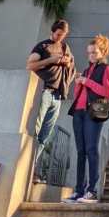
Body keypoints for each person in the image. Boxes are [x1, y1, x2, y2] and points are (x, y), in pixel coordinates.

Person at [63, 34, 109, 204]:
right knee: (80, 152)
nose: (90, 55)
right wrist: (79, 82)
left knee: (92, 149)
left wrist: (87, 81)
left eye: (94, 52)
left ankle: (91, 191)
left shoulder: (106, 69)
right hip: (78, 112)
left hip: (94, 111)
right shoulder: (86, 70)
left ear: (103, 52)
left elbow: (107, 93)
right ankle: (78, 191)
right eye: (89, 53)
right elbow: (78, 94)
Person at [26, 19, 75, 180]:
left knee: (45, 136)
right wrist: (51, 60)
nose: (61, 37)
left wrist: (67, 64)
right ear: (53, 32)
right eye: (59, 34)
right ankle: (26, 167)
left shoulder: (65, 48)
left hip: (58, 96)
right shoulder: (43, 46)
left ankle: (33, 167)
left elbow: (72, 69)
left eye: (64, 35)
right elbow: (30, 65)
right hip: (45, 92)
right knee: (35, 131)